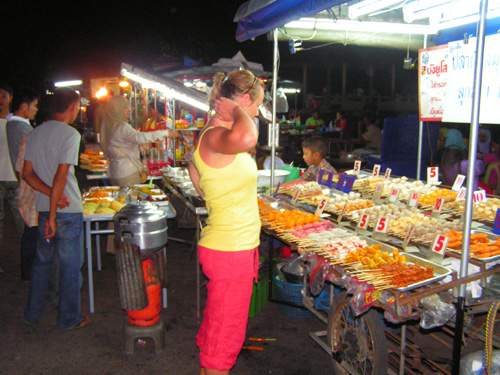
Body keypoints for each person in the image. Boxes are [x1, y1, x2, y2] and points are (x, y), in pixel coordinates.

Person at [188, 69, 263, 375]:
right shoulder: (218, 135)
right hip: (230, 253)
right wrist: (239, 111)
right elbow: (249, 134)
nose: (257, 112)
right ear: (243, 100)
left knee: (216, 337)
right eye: (255, 105)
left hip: (230, 248)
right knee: (224, 344)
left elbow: (194, 168)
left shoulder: (214, 135)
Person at [23, 88, 89, 330]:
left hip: (44, 208)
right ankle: (68, 318)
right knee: (70, 266)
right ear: (71, 107)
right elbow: (61, 176)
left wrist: (50, 200)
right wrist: (54, 212)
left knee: (42, 264)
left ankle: (32, 313)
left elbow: (27, 174)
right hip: (66, 210)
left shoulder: (35, 133)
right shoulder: (71, 135)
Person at [99, 96, 175, 186]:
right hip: (127, 173)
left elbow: (121, 143)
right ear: (117, 110)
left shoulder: (109, 126)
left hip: (115, 171)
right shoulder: (122, 126)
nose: (129, 110)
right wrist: (166, 133)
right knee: (131, 199)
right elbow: (140, 137)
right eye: (125, 108)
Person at [6, 87, 39, 280]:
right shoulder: (21, 129)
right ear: (24, 106)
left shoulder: (13, 125)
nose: (35, 109)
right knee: (31, 230)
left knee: (30, 229)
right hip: (29, 186)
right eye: (34, 106)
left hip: (25, 183)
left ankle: (29, 270)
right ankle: (30, 271)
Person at [0, 82, 17, 221]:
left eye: (3, 96)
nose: (0, 100)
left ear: (10, 98)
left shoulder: (16, 121)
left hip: (15, 177)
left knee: (23, 220)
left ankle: (27, 244)